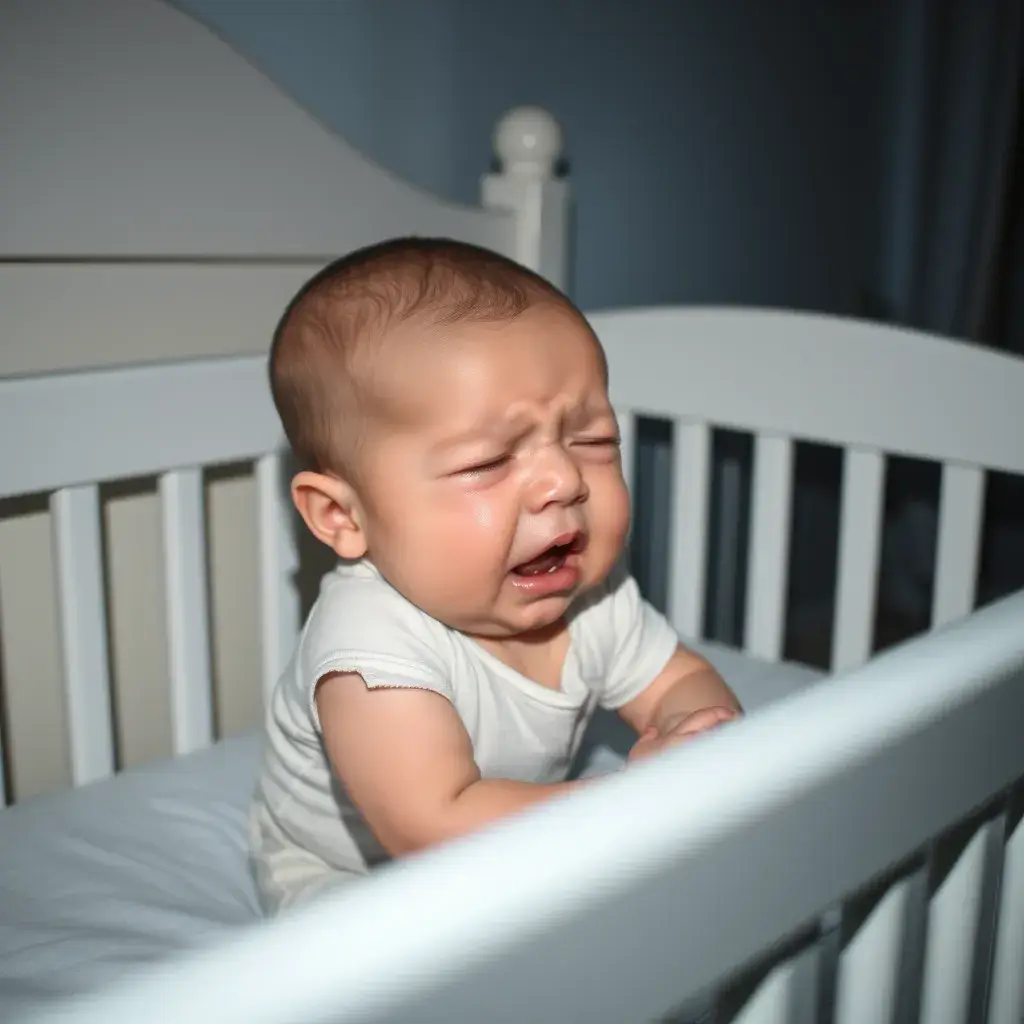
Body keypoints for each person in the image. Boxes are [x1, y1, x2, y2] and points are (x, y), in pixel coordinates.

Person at [248, 237, 742, 914]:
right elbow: (435, 824)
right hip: (355, 874)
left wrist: (695, 737)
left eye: (591, 441)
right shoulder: (369, 644)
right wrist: (630, 801)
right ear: (342, 515)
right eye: (487, 462)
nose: (565, 480)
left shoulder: (593, 599)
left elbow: (678, 681)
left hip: (522, 836)